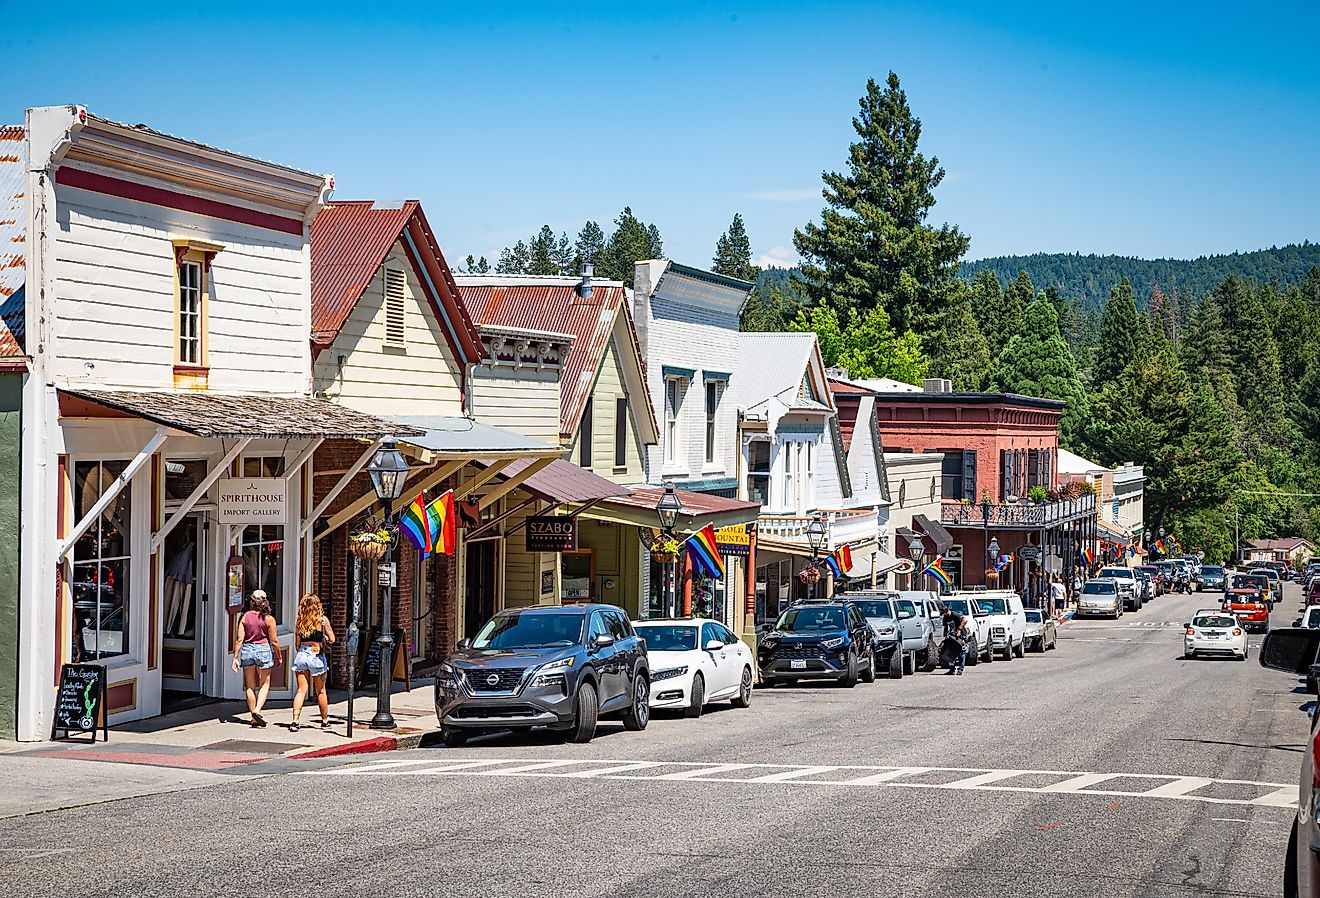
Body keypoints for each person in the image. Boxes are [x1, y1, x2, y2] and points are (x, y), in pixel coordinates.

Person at [231, 590, 281, 727]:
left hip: (248, 649)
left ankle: (253, 717)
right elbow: (274, 641)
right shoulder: (269, 619)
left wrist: (235, 657)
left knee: (250, 686)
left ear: (252, 602)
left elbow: (239, 639)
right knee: (265, 683)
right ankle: (257, 710)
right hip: (263, 649)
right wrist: (279, 656)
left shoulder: (245, 617)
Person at [290, 593, 336, 732]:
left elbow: (297, 645)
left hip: (302, 654)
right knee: (320, 691)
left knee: (301, 690)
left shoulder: (300, 621)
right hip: (316, 655)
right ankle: (324, 720)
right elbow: (332, 639)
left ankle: (295, 720)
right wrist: (324, 638)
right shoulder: (322, 620)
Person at [941, 608, 970, 676]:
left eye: (945, 613)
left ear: (947, 611)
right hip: (952, 637)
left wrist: (959, 629)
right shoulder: (945, 618)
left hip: (961, 636)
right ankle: (952, 670)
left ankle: (960, 669)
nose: (944, 615)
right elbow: (945, 627)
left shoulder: (955, 615)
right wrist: (945, 635)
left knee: (961, 653)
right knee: (951, 653)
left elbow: (965, 620)